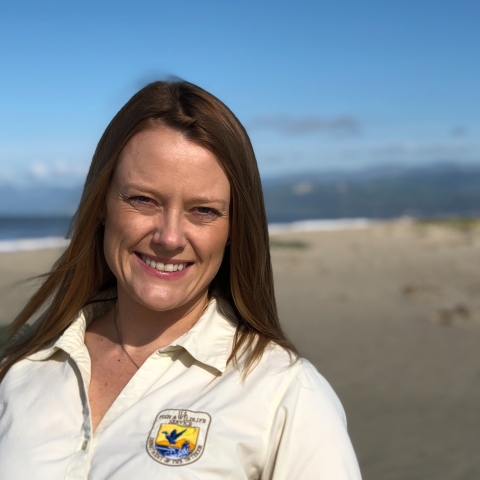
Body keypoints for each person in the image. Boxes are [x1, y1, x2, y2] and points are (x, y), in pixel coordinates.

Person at [0, 80, 362, 479]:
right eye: (143, 200)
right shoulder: (23, 370)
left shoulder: (286, 395)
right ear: (102, 204)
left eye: (203, 210)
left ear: (234, 228)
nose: (169, 238)